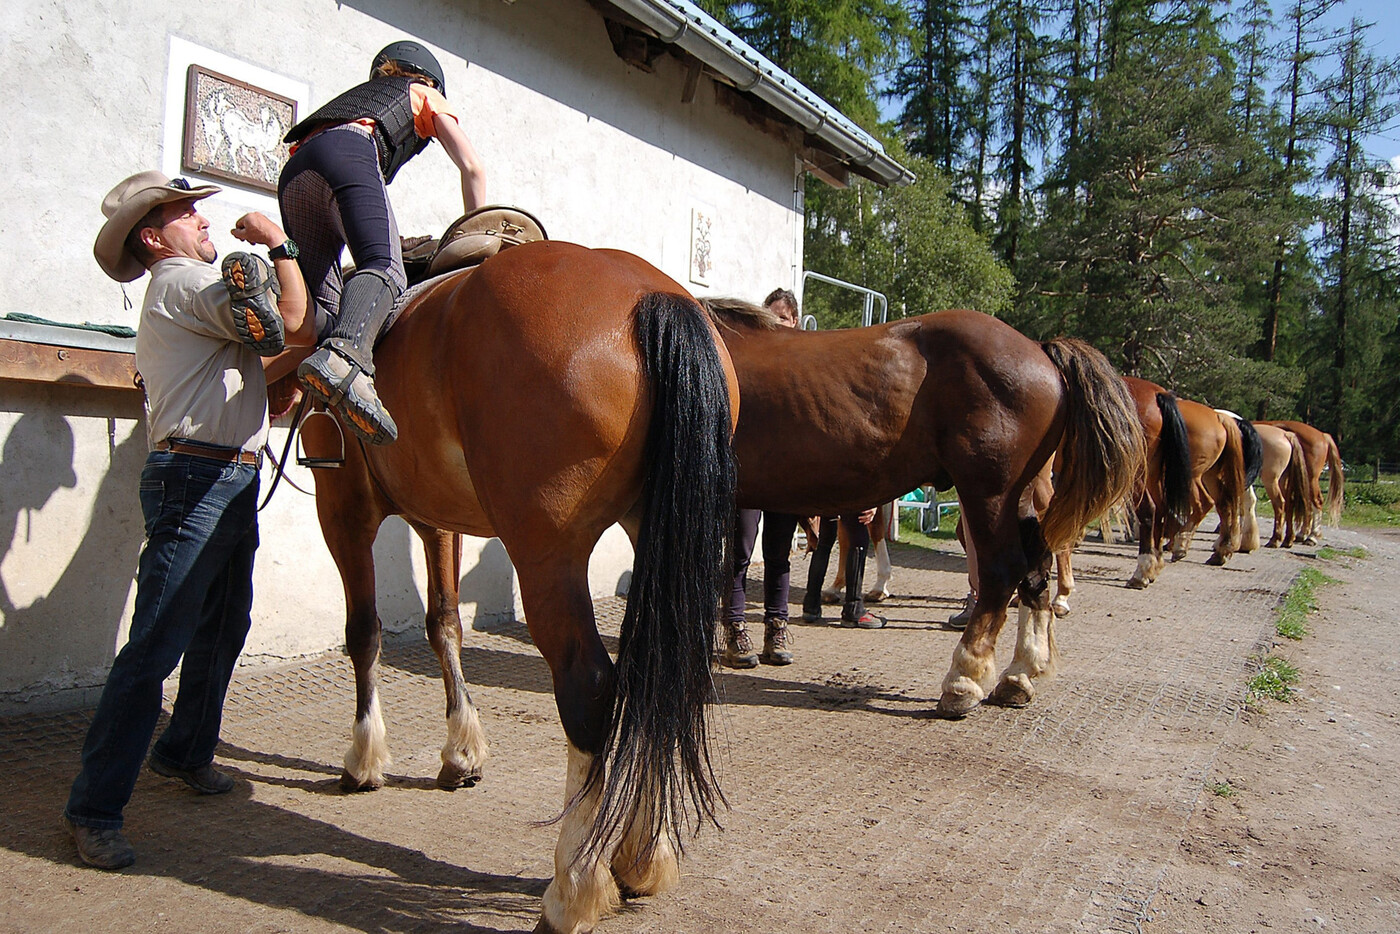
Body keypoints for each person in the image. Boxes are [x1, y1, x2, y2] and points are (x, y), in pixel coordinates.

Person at [67, 170, 312, 870]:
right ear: (154, 235)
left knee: (222, 624)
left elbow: (240, 374)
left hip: (224, 473)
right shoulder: (180, 282)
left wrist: (269, 398)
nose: (205, 223)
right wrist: (281, 242)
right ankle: (93, 809)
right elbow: (289, 322)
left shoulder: (190, 299)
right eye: (187, 214)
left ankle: (184, 751)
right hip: (198, 477)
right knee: (156, 646)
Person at [280, 40, 486, 445]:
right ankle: (347, 360)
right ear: (426, 80)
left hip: (295, 171)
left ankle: (301, 341)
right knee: (385, 267)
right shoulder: (422, 93)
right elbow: (472, 166)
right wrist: (475, 228)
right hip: (349, 153)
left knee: (327, 305)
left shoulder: (352, 102)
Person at [719, 289, 803, 669]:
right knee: (739, 551)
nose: (777, 325)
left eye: (783, 318)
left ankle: (776, 625)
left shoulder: (804, 364)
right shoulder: (747, 361)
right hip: (749, 469)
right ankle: (735, 627)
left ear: (795, 321)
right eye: (771, 317)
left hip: (786, 471)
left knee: (779, 555)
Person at [800, 510, 886, 628]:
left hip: (826, 495)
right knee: (859, 537)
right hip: (850, 496)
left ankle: (810, 604)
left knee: (825, 537)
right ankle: (853, 608)